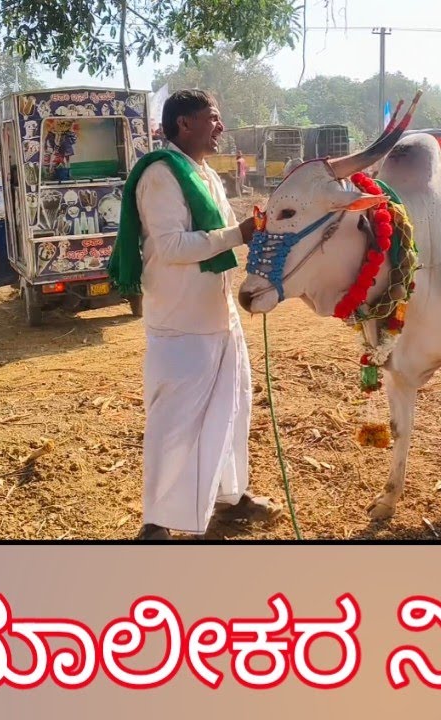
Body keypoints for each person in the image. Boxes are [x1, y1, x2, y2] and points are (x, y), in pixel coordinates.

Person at [107, 89, 272, 541]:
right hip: (181, 320)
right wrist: (237, 234)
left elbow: (220, 231)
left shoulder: (205, 174)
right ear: (184, 124)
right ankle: (156, 522)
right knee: (175, 422)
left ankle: (230, 498)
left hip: (217, 315)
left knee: (232, 408)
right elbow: (172, 246)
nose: (220, 126)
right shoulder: (161, 174)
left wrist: (253, 230)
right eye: (212, 118)